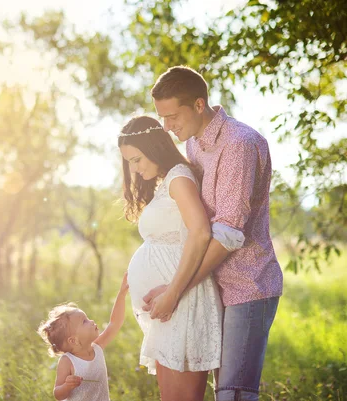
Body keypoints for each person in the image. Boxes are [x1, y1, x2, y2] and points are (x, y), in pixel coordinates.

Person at [144, 65, 284, 401]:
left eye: (172, 116)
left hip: (247, 286)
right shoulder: (194, 146)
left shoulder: (240, 143)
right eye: (162, 118)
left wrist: (176, 290)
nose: (168, 126)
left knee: (234, 394)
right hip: (211, 287)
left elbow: (228, 233)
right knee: (218, 391)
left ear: (198, 104)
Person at [119, 115, 223, 401]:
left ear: (155, 147)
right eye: (130, 162)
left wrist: (173, 293)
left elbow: (200, 233)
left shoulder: (178, 178)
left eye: (137, 159)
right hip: (169, 305)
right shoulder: (167, 181)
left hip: (182, 300)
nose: (136, 169)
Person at [37, 272, 128, 401]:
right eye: (84, 321)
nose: (91, 321)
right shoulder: (67, 361)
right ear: (73, 340)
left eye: (87, 318)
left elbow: (115, 323)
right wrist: (67, 386)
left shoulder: (97, 347)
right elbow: (58, 394)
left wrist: (122, 294)